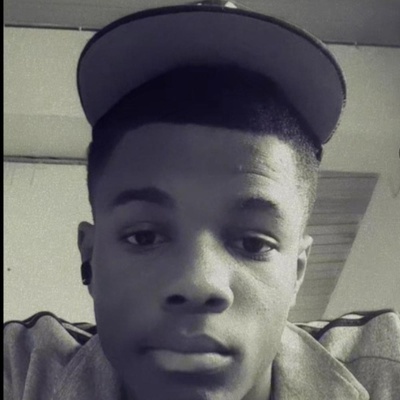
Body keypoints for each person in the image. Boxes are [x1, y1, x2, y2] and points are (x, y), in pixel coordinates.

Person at [4, 2, 400, 399]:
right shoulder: (20, 371)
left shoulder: (385, 369)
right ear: (90, 258)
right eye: (144, 236)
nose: (199, 283)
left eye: (254, 243)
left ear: (297, 273)